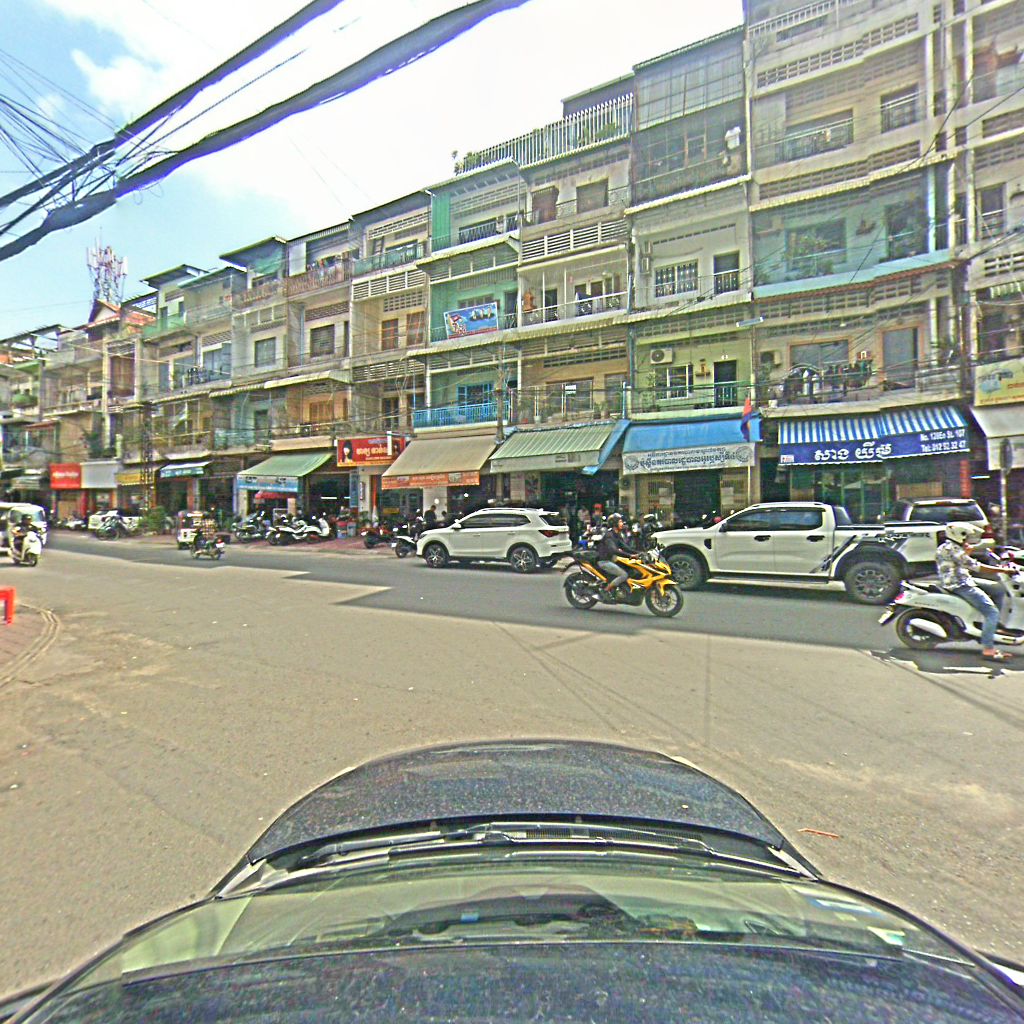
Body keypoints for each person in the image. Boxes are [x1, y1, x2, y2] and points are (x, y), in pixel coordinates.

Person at [936, 521, 1017, 662]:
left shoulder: (949, 546)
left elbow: (961, 562)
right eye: (965, 536)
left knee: (998, 589)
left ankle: (991, 627)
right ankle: (988, 649)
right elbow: (976, 567)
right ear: (959, 535)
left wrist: (967, 551)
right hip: (959, 584)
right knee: (991, 612)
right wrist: (1004, 570)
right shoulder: (952, 549)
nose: (967, 539)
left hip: (964, 579)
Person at [595, 512, 635, 596]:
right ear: (614, 523)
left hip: (612, 560)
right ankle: (606, 590)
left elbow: (626, 548)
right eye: (620, 522)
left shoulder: (617, 534)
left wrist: (640, 553)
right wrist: (630, 556)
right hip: (604, 561)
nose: (622, 523)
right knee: (624, 575)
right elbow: (614, 550)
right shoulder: (609, 535)